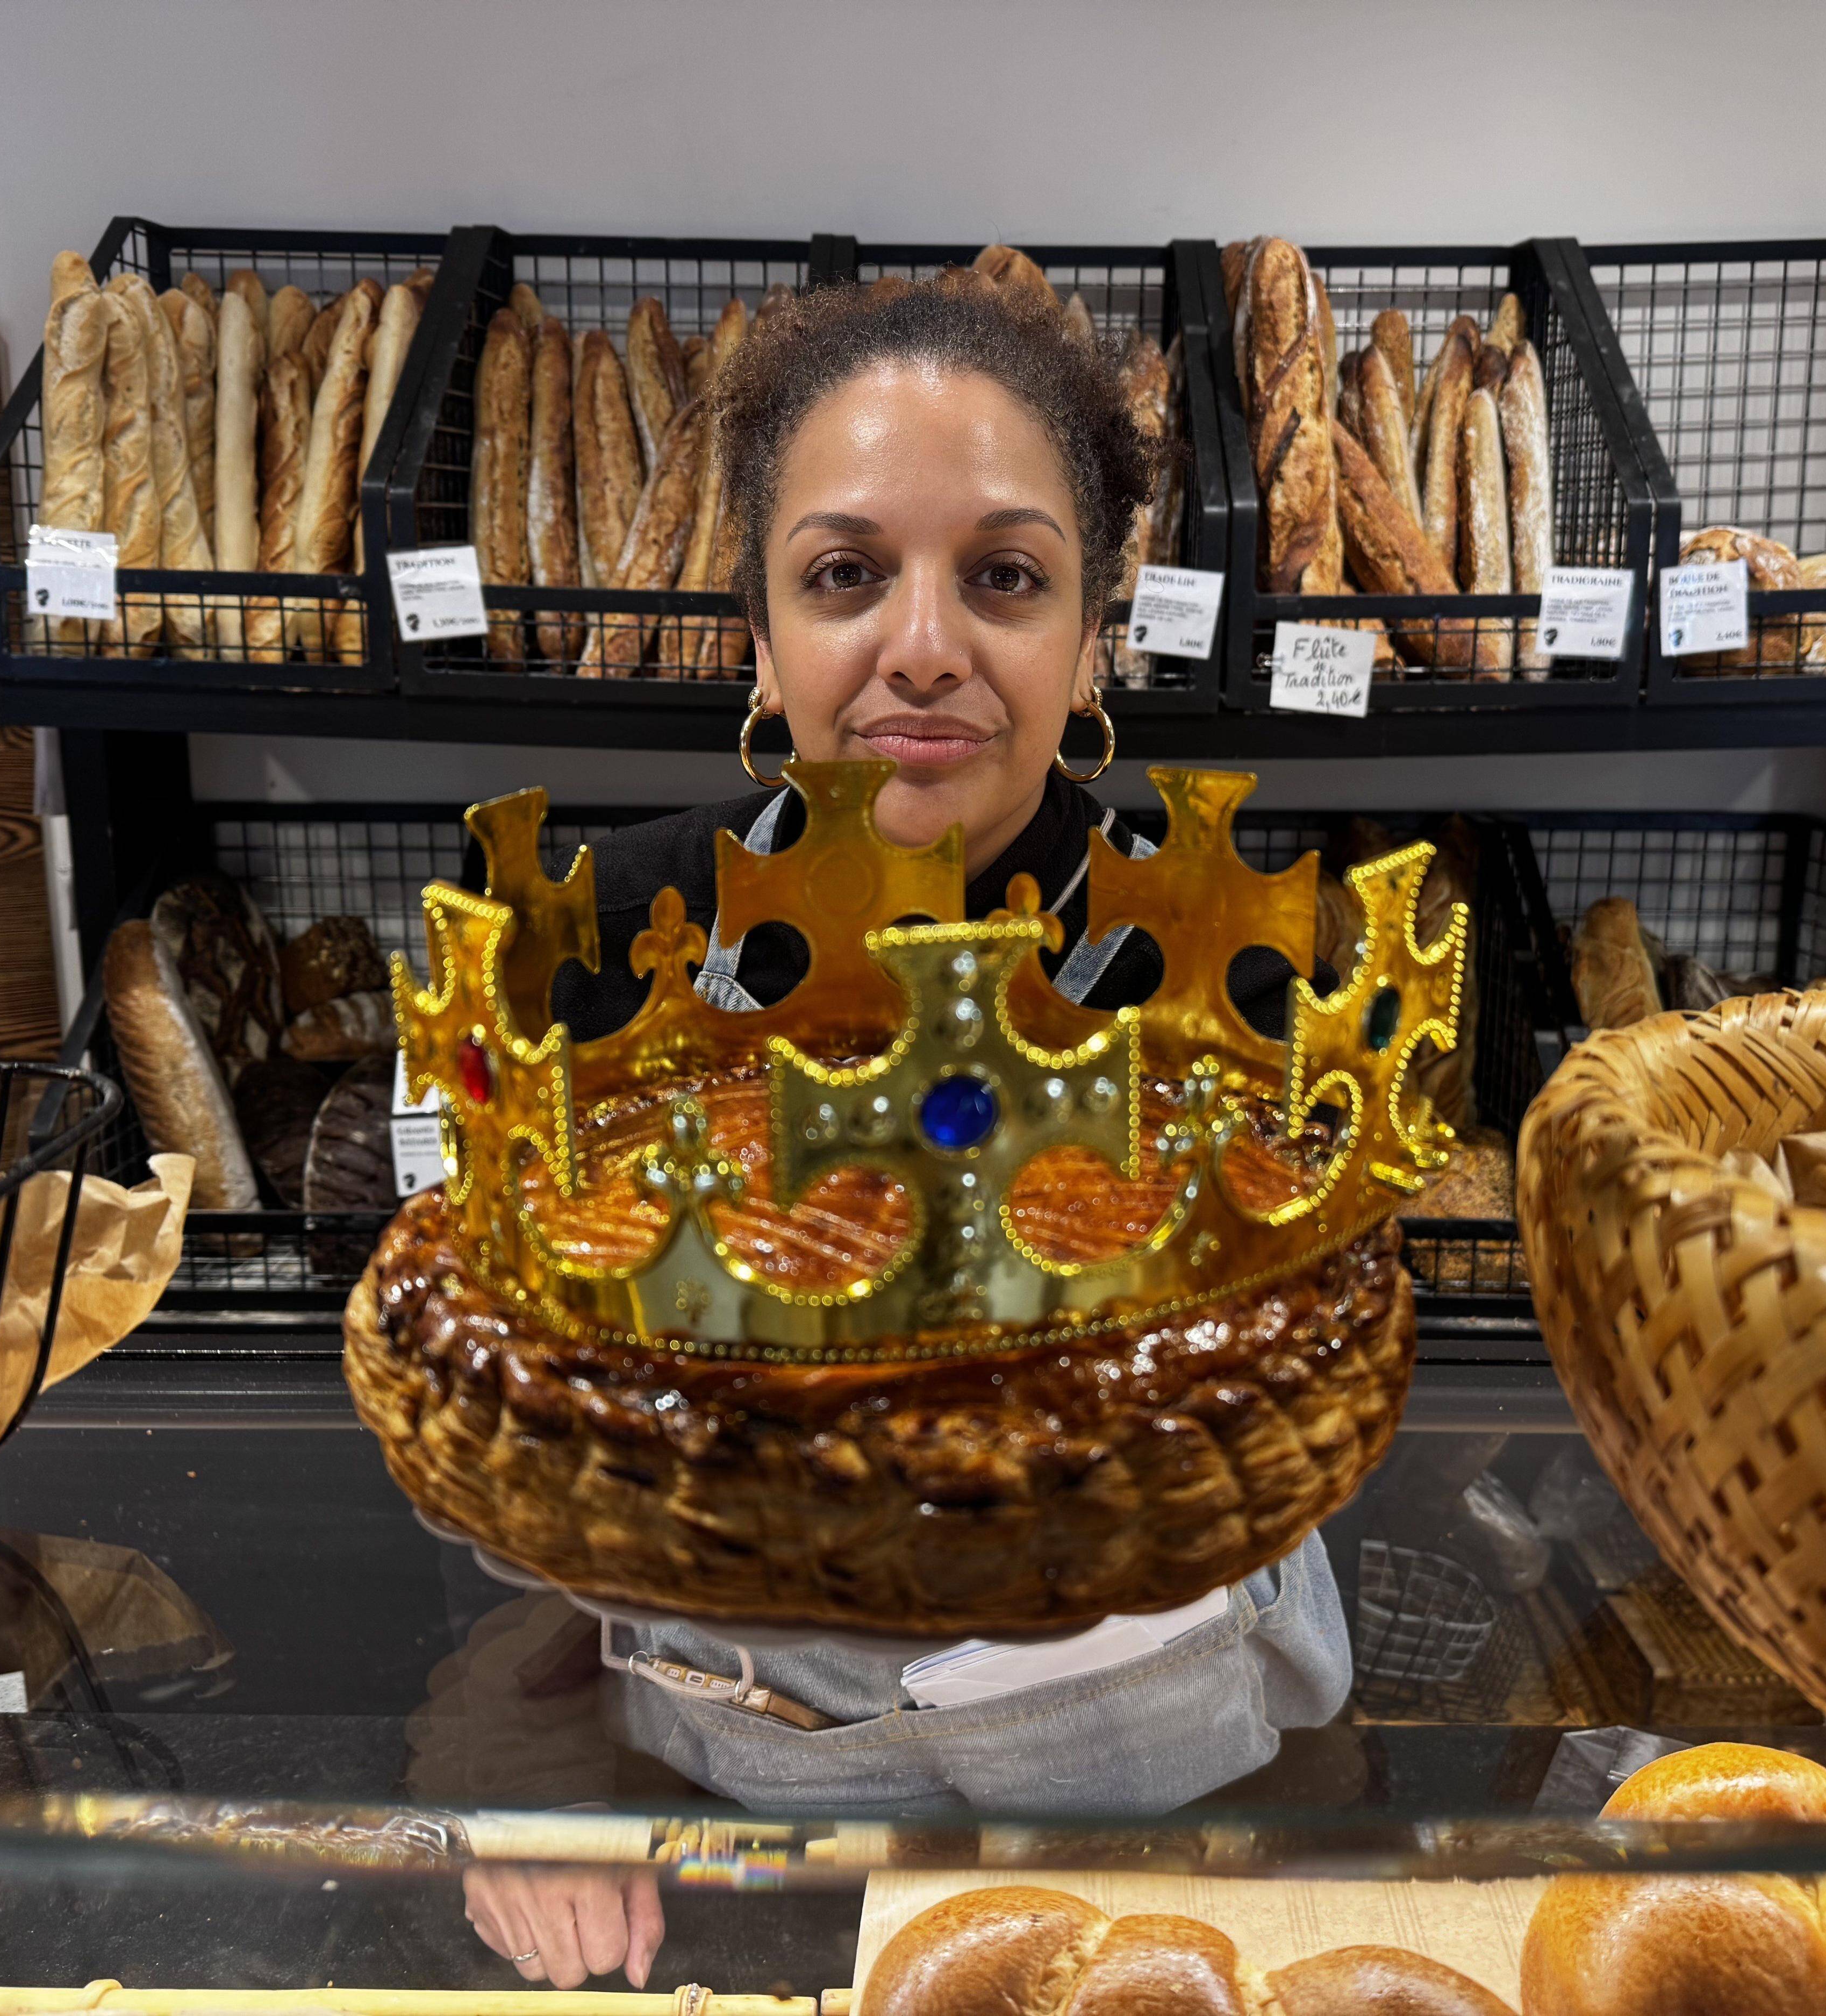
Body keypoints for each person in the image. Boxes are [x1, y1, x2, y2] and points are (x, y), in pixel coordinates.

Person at [460, 275, 1350, 1988]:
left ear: (1095, 635)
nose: (923, 643)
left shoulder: (1235, 954)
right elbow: (517, 1447)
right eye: (847, 574)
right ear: (760, 627)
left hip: (1178, 1836)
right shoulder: (614, 931)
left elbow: (1298, 1450)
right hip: (717, 1850)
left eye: (1005, 577)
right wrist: (527, 1767)